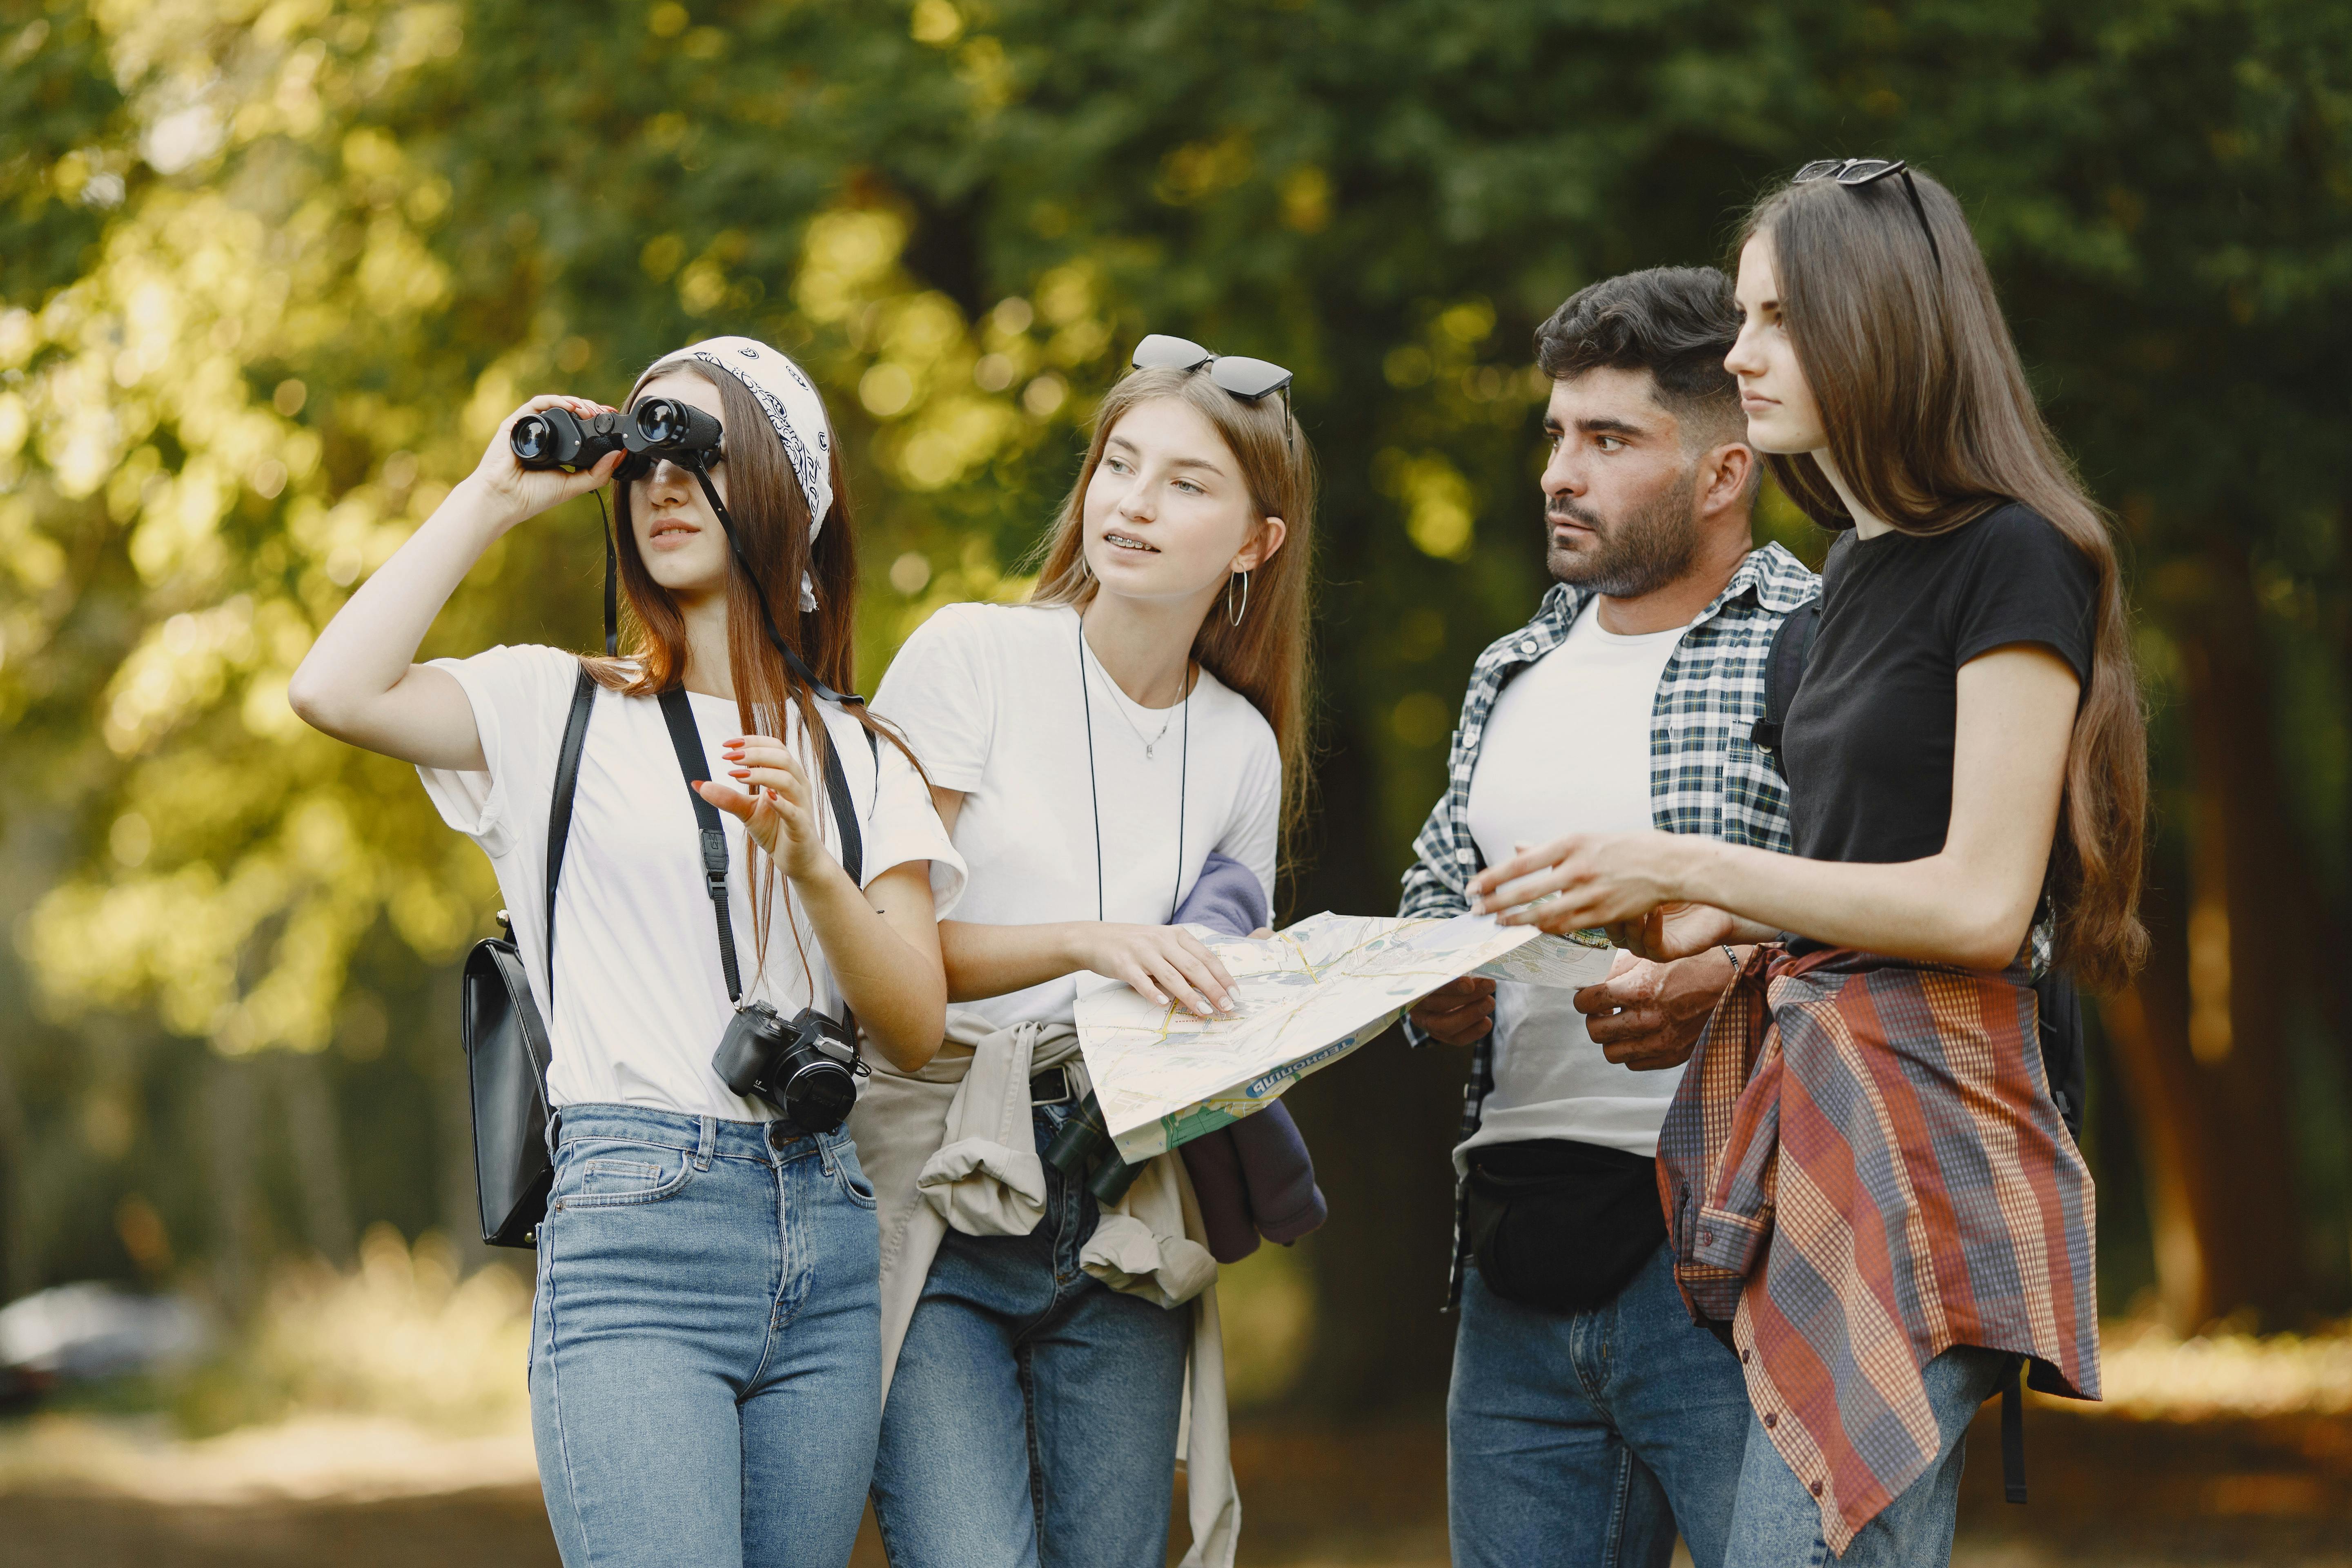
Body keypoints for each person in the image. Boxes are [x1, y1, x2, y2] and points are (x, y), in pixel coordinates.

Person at [1471, 161, 2146, 1564]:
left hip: (1929, 1146)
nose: (1742, 352)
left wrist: (1687, 858)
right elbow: (1836, 894)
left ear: (1881, 324)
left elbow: (1975, 902)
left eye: (1778, 318)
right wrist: (1672, 918)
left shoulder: (2016, 558)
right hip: (1801, 1144)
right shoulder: (1850, 582)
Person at [287, 338, 965, 1568]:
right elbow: (332, 688)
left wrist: (814, 863)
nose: (661, 482)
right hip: (635, 1234)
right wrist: (495, 491)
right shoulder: (559, 709)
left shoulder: (865, 760)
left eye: (700, 454)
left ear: (792, 500)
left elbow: (917, 1022)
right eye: (642, 456)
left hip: (824, 1240)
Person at [855, 337, 1314, 1568]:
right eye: (1120, 465)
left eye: (1186, 483)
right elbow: (877, 957)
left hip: (1124, 1211)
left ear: (1256, 543)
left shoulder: (1241, 749)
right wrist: (1089, 943)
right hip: (944, 1183)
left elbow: (1226, 998)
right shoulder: (970, 658)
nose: (1135, 504)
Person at [1399, 267, 1819, 1568]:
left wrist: (1728, 978)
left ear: (1722, 473)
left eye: (1611, 439)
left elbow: (1906, 918)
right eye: (1557, 434)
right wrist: (1432, 981)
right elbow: (1434, 883)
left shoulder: (1821, 643)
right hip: (1516, 1254)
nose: (1558, 474)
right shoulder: (1509, 667)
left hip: (1740, 1254)